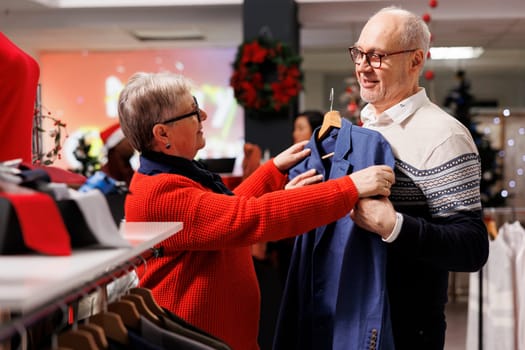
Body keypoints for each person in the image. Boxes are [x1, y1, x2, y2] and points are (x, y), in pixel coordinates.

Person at [117, 71, 394, 350]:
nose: (202, 115)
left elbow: (221, 214)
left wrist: (272, 171)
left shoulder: (174, 176)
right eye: (191, 111)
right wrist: (349, 188)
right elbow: (245, 218)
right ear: (162, 133)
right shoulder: (161, 193)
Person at [348, 6, 488, 349]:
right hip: (354, 320)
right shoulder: (362, 127)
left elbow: (471, 247)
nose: (363, 66)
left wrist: (394, 226)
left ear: (415, 61)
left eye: (378, 56)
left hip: (405, 332)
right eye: (360, 53)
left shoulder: (443, 134)